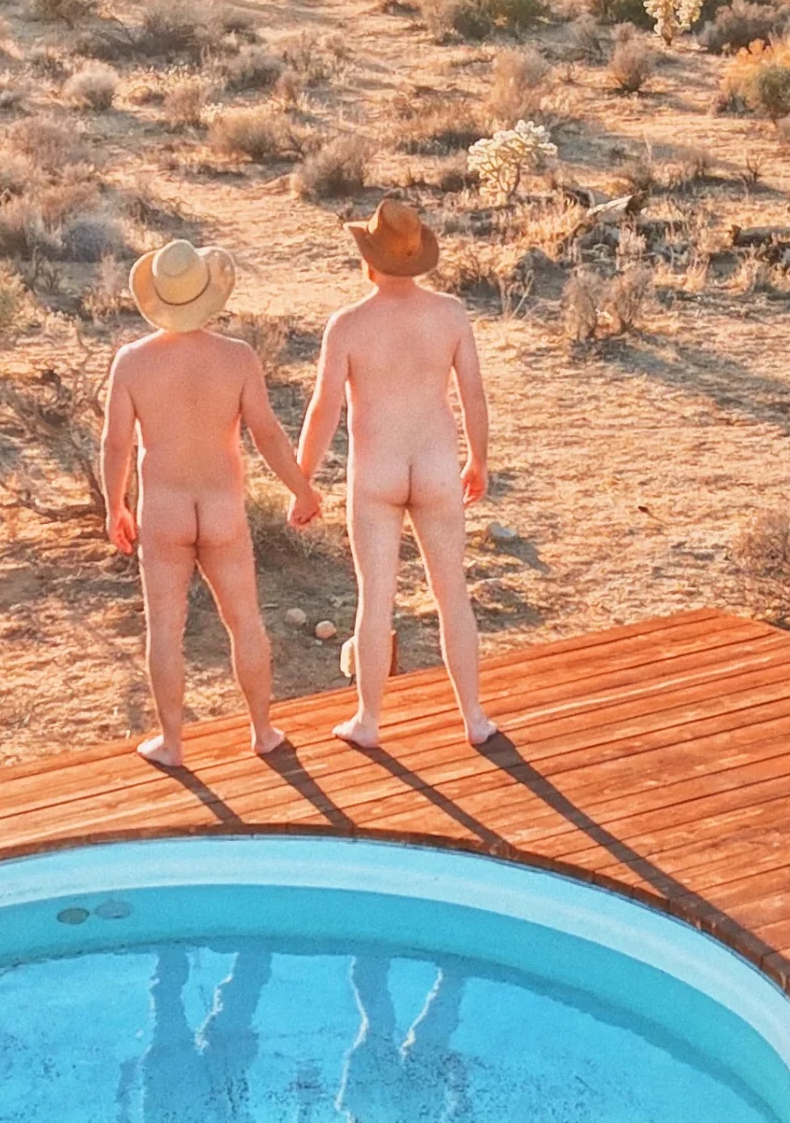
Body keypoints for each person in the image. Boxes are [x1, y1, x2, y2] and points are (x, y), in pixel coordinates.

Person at [101, 238, 320, 765]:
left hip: (165, 510)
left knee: (165, 631)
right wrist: (302, 489)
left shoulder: (131, 363)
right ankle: (263, 731)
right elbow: (267, 434)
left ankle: (173, 744)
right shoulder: (237, 358)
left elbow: (115, 442)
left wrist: (115, 506)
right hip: (221, 507)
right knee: (245, 621)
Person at [297, 198, 496, 749]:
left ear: (369, 260)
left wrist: (302, 481)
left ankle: (368, 721)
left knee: (375, 596)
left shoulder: (348, 325)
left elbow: (323, 410)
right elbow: (473, 393)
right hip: (435, 465)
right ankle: (474, 718)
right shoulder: (451, 314)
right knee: (452, 591)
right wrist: (478, 459)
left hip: (377, 471)